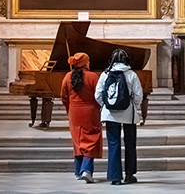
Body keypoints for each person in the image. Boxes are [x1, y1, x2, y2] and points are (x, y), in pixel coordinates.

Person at [95, 48, 144, 185]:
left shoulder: (105, 74)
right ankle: (130, 175)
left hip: (111, 115)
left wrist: (106, 105)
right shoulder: (131, 74)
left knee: (113, 144)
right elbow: (138, 95)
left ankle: (115, 177)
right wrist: (133, 105)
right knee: (130, 144)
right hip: (129, 114)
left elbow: (97, 95)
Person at [60, 52, 102, 183]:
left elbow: (63, 96)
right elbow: (98, 95)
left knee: (77, 140)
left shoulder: (67, 76)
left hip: (74, 111)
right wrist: (98, 108)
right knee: (91, 139)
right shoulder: (93, 76)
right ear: (85, 63)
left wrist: (69, 109)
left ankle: (78, 171)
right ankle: (86, 170)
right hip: (90, 111)